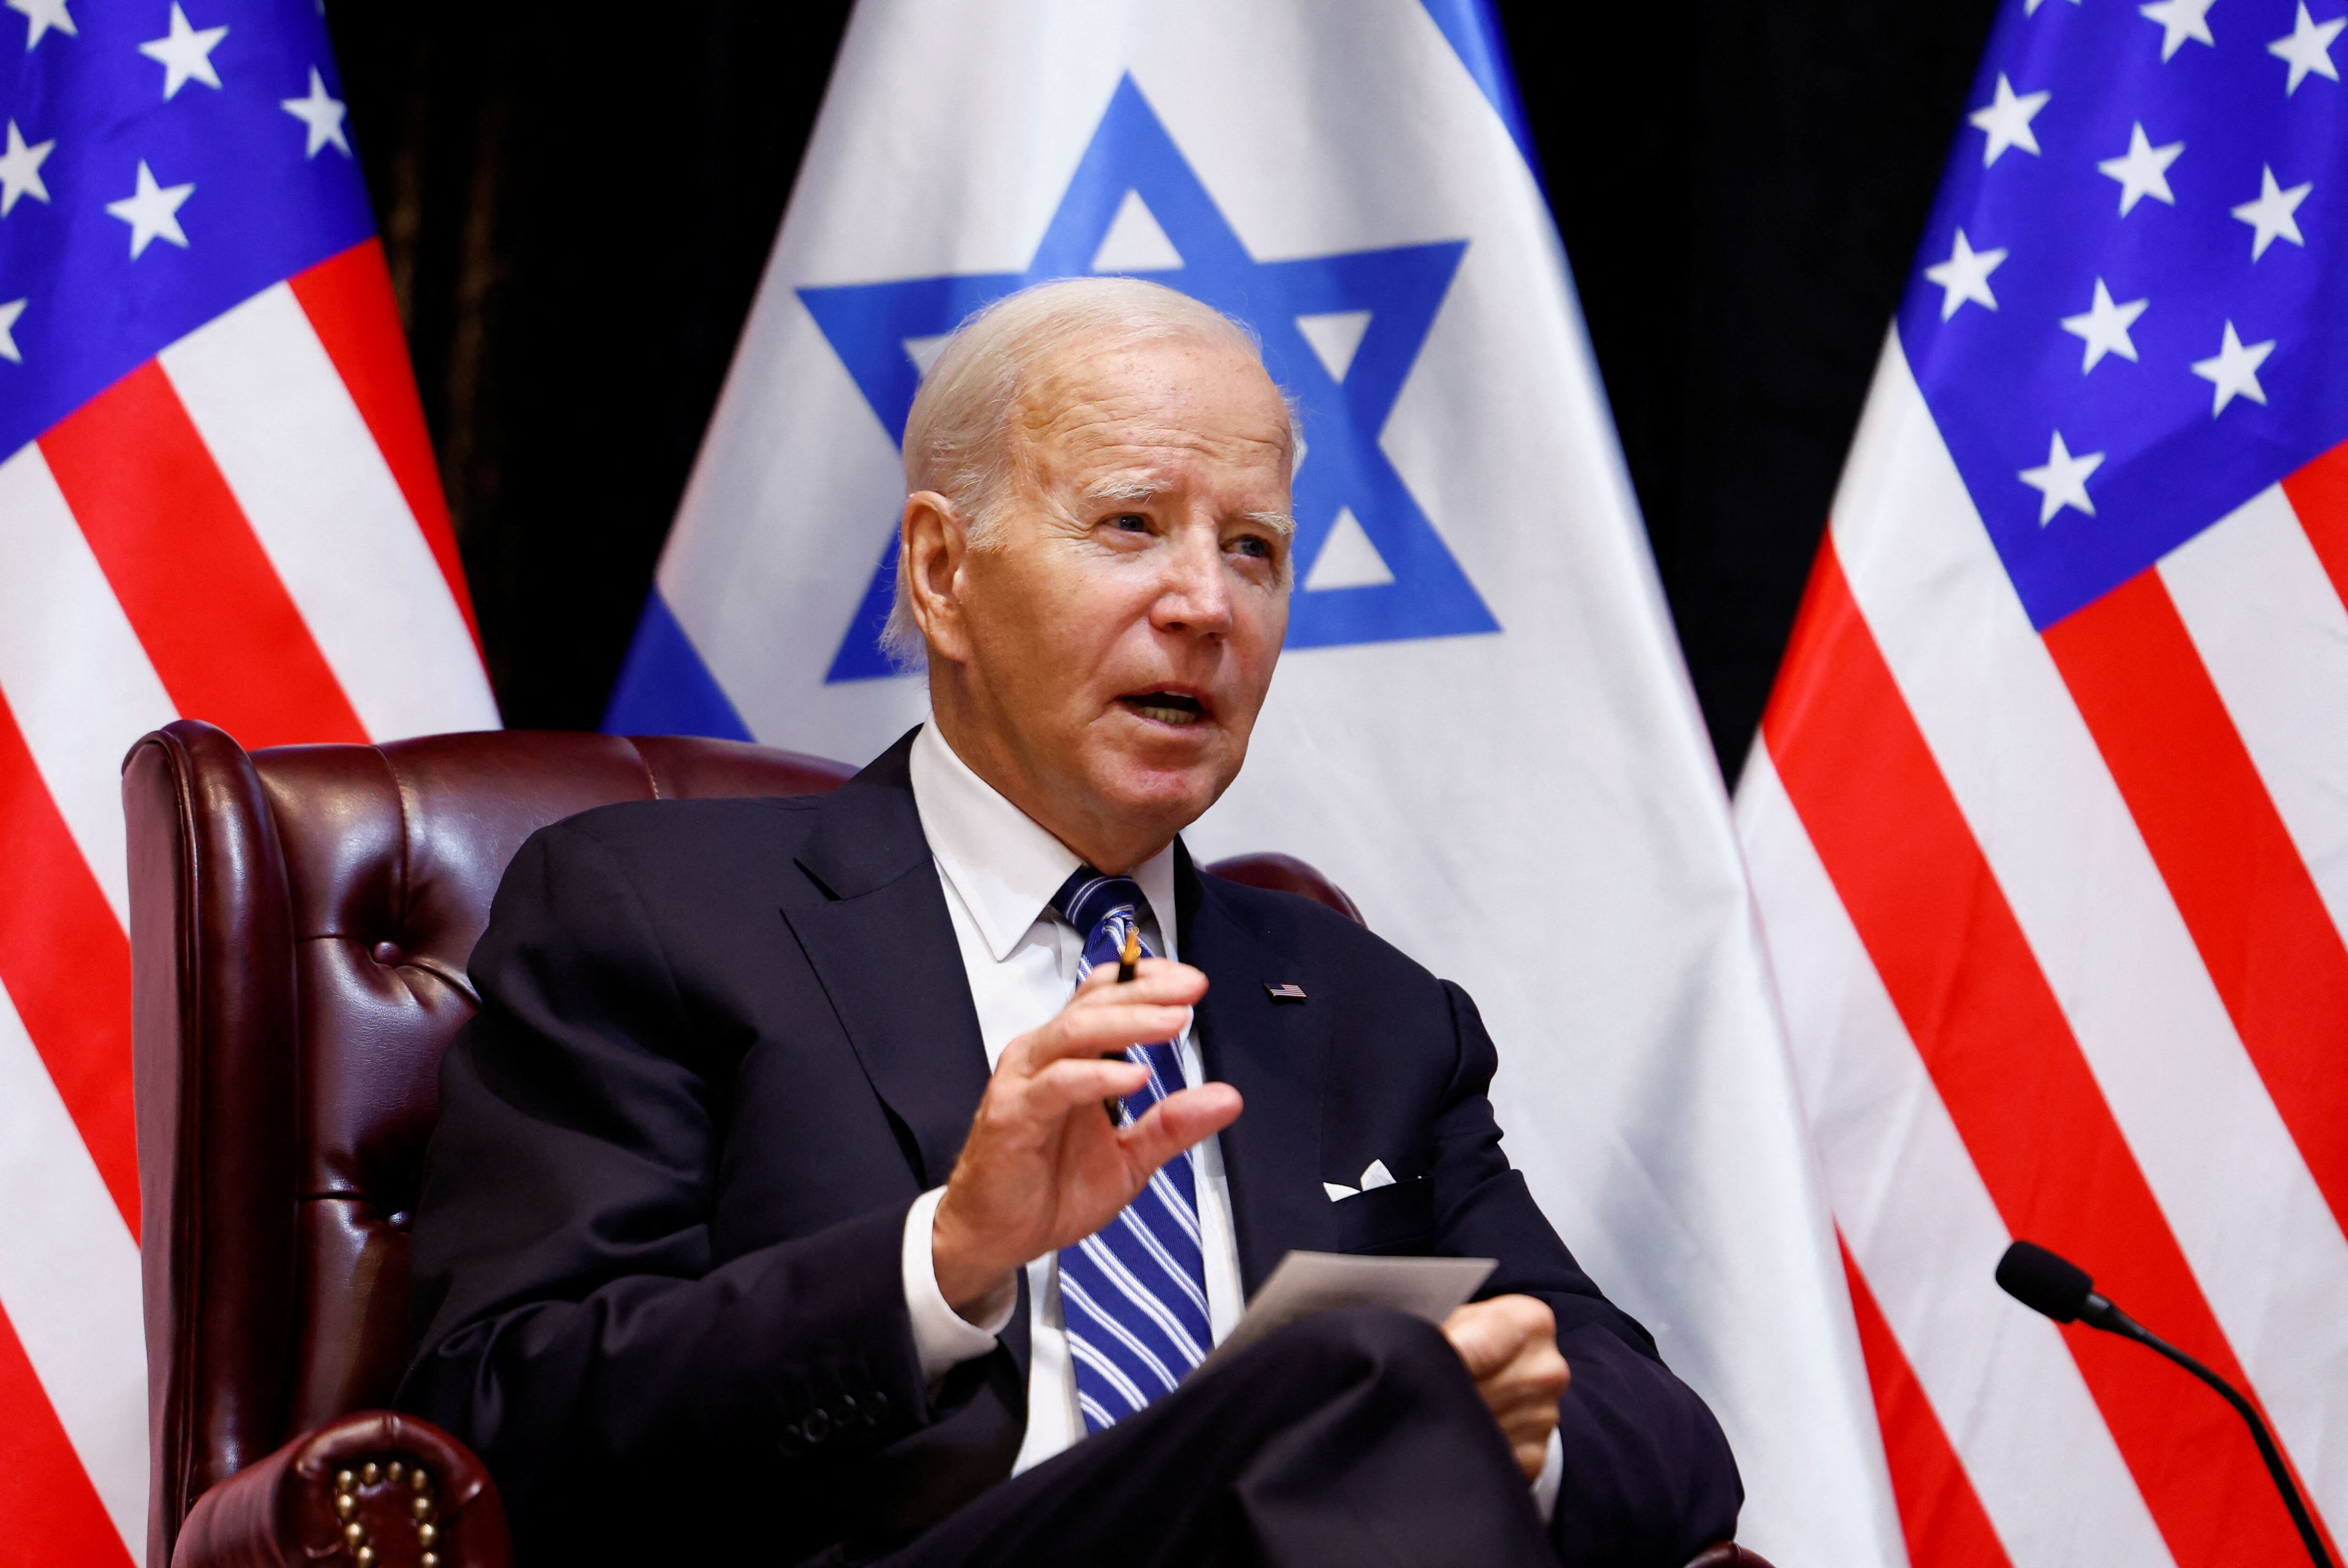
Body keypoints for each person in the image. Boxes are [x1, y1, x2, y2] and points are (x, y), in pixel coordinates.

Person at [400, 277, 1742, 1567]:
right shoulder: (662, 912)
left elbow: (1669, 1443)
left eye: (1256, 550)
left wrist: (1500, 1441)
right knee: (1351, 1373)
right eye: (1128, 525)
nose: (1205, 604)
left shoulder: (1374, 1017)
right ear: (940, 570)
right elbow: (503, 1413)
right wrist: (947, 1257)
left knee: (1373, 1387)